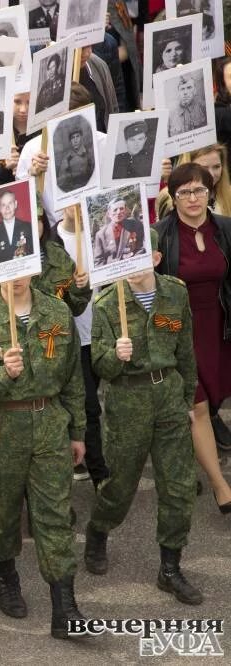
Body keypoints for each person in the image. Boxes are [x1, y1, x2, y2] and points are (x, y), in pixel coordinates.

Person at [0, 274, 87, 639]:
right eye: (7, 270)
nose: (16, 278)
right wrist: (3, 375)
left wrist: (77, 431)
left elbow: (73, 377)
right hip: (4, 427)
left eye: (23, 268)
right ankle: (7, 577)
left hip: (49, 421)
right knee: (2, 512)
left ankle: (65, 608)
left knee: (55, 515)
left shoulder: (57, 311)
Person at [85, 231, 203, 605]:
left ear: (153, 258)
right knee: (120, 484)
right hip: (128, 398)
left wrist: (186, 398)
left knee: (178, 485)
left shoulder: (175, 294)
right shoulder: (107, 304)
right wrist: (113, 356)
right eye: (125, 258)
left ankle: (170, 567)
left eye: (138, 257)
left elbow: (186, 350)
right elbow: (99, 366)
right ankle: (99, 530)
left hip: (168, 393)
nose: (131, 267)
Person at [153, 163, 231, 515]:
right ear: (174, 196)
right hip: (179, 333)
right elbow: (135, 288)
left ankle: (189, 454)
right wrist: (148, 269)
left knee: (213, 401)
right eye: (184, 191)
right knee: (196, 405)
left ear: (210, 192)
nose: (193, 198)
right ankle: (221, 487)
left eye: (199, 190)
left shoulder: (226, 229)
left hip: (220, 326)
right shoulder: (159, 235)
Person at [92, 197, 146, 267]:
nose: (118, 212)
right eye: (115, 210)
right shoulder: (100, 235)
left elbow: (141, 248)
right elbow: (98, 262)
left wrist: (135, 264)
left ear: (125, 210)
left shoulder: (136, 225)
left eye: (121, 209)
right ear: (109, 214)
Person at [0, 189, 34, 265]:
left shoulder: (28, 227)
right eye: (3, 205)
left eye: (10, 203)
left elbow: (33, 254)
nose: (7, 208)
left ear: (15, 204)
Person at [56, 127, 95, 192]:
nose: (75, 140)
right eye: (72, 138)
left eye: (77, 136)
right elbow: (60, 181)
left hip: (91, 187)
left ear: (81, 138)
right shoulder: (66, 158)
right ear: (70, 141)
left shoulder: (89, 153)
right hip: (74, 190)